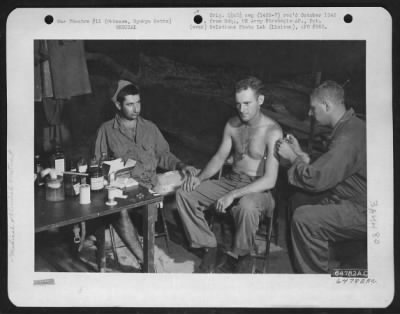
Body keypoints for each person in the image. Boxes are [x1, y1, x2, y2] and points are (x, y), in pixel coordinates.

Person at [176, 77, 282, 273]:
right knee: (185, 194)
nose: (242, 110)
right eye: (238, 104)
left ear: (260, 100)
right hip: (231, 180)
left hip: (259, 188)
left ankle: (241, 254)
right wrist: (200, 178)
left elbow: (271, 179)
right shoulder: (232, 124)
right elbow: (219, 158)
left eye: (247, 103)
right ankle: (209, 246)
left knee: (247, 207)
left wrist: (233, 195)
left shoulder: (272, 131)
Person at [94, 80, 197, 269]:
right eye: (130, 104)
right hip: (126, 188)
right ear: (118, 105)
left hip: (152, 182)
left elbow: (164, 155)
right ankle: (145, 261)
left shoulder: (150, 127)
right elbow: (98, 164)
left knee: (195, 177)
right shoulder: (106, 130)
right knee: (118, 211)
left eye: (138, 102)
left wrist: (182, 165)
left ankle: (203, 245)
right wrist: (113, 173)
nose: (136, 109)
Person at [276, 80, 366, 273]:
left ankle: (315, 281)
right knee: (298, 200)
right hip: (350, 196)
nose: (310, 113)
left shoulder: (347, 138)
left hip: (364, 209)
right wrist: (300, 155)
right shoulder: (351, 126)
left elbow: (318, 179)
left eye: (313, 108)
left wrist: (292, 158)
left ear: (326, 106)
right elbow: (332, 167)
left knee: (304, 218)